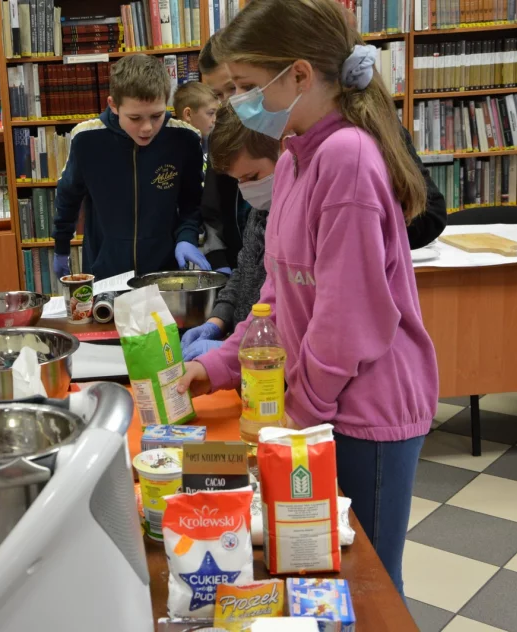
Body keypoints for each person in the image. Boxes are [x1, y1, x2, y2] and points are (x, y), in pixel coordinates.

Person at [177, 0, 439, 597]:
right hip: (321, 403)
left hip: (363, 410)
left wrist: (298, 413)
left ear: (299, 75)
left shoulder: (346, 158)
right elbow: (273, 298)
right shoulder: (297, 156)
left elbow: (351, 321)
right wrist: (214, 363)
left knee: (367, 581)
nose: (238, 102)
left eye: (245, 86)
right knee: (318, 565)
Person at [197, 31, 448, 270]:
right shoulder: (235, 139)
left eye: (238, 88)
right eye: (219, 95)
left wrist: (347, 240)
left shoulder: (350, 144)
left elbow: (428, 214)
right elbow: (219, 215)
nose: (232, 103)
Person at [52, 53, 209, 279]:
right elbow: (68, 197)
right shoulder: (87, 138)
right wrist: (61, 247)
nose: (147, 128)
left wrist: (187, 237)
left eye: (156, 115)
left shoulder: (185, 138)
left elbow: (191, 203)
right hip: (105, 270)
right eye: (135, 118)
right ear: (113, 105)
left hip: (165, 271)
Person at [181, 107, 280, 361]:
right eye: (238, 181)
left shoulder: (296, 214)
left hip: (268, 358)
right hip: (246, 352)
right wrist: (217, 321)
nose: (245, 189)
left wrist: (236, 349)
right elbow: (244, 271)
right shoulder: (262, 209)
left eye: (252, 177)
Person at [173, 81, 219, 160]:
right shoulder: (174, 151)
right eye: (211, 113)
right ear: (188, 114)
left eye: (216, 113)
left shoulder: (211, 143)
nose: (215, 120)